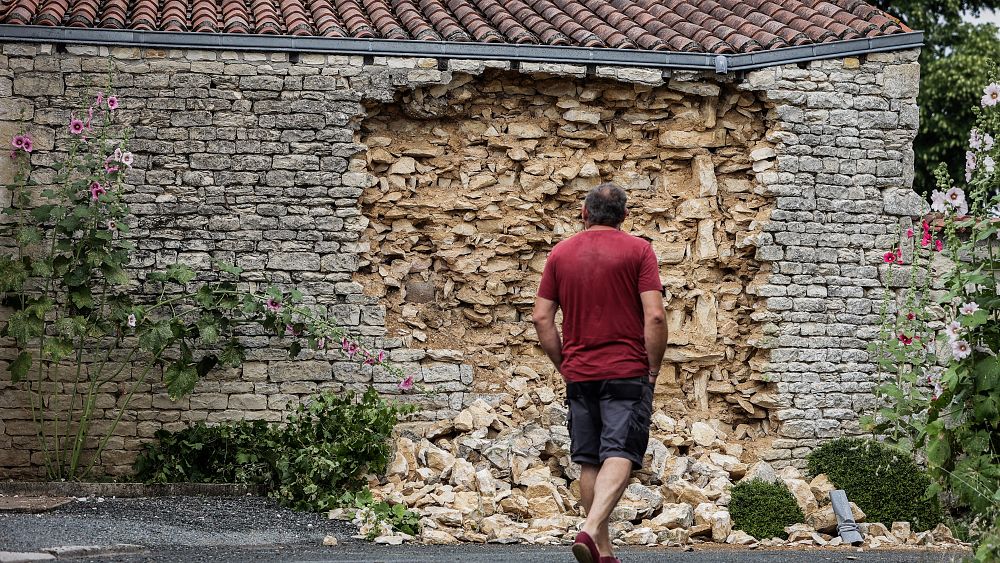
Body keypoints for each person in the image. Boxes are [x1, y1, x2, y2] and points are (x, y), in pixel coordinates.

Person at [532, 182, 666, 563]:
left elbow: (542, 318)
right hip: (626, 370)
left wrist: (565, 365)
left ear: (584, 213)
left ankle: (603, 552)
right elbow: (655, 315)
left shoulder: (560, 253)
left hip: (580, 373)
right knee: (621, 451)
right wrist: (652, 366)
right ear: (624, 216)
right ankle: (591, 531)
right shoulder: (639, 250)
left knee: (590, 458)